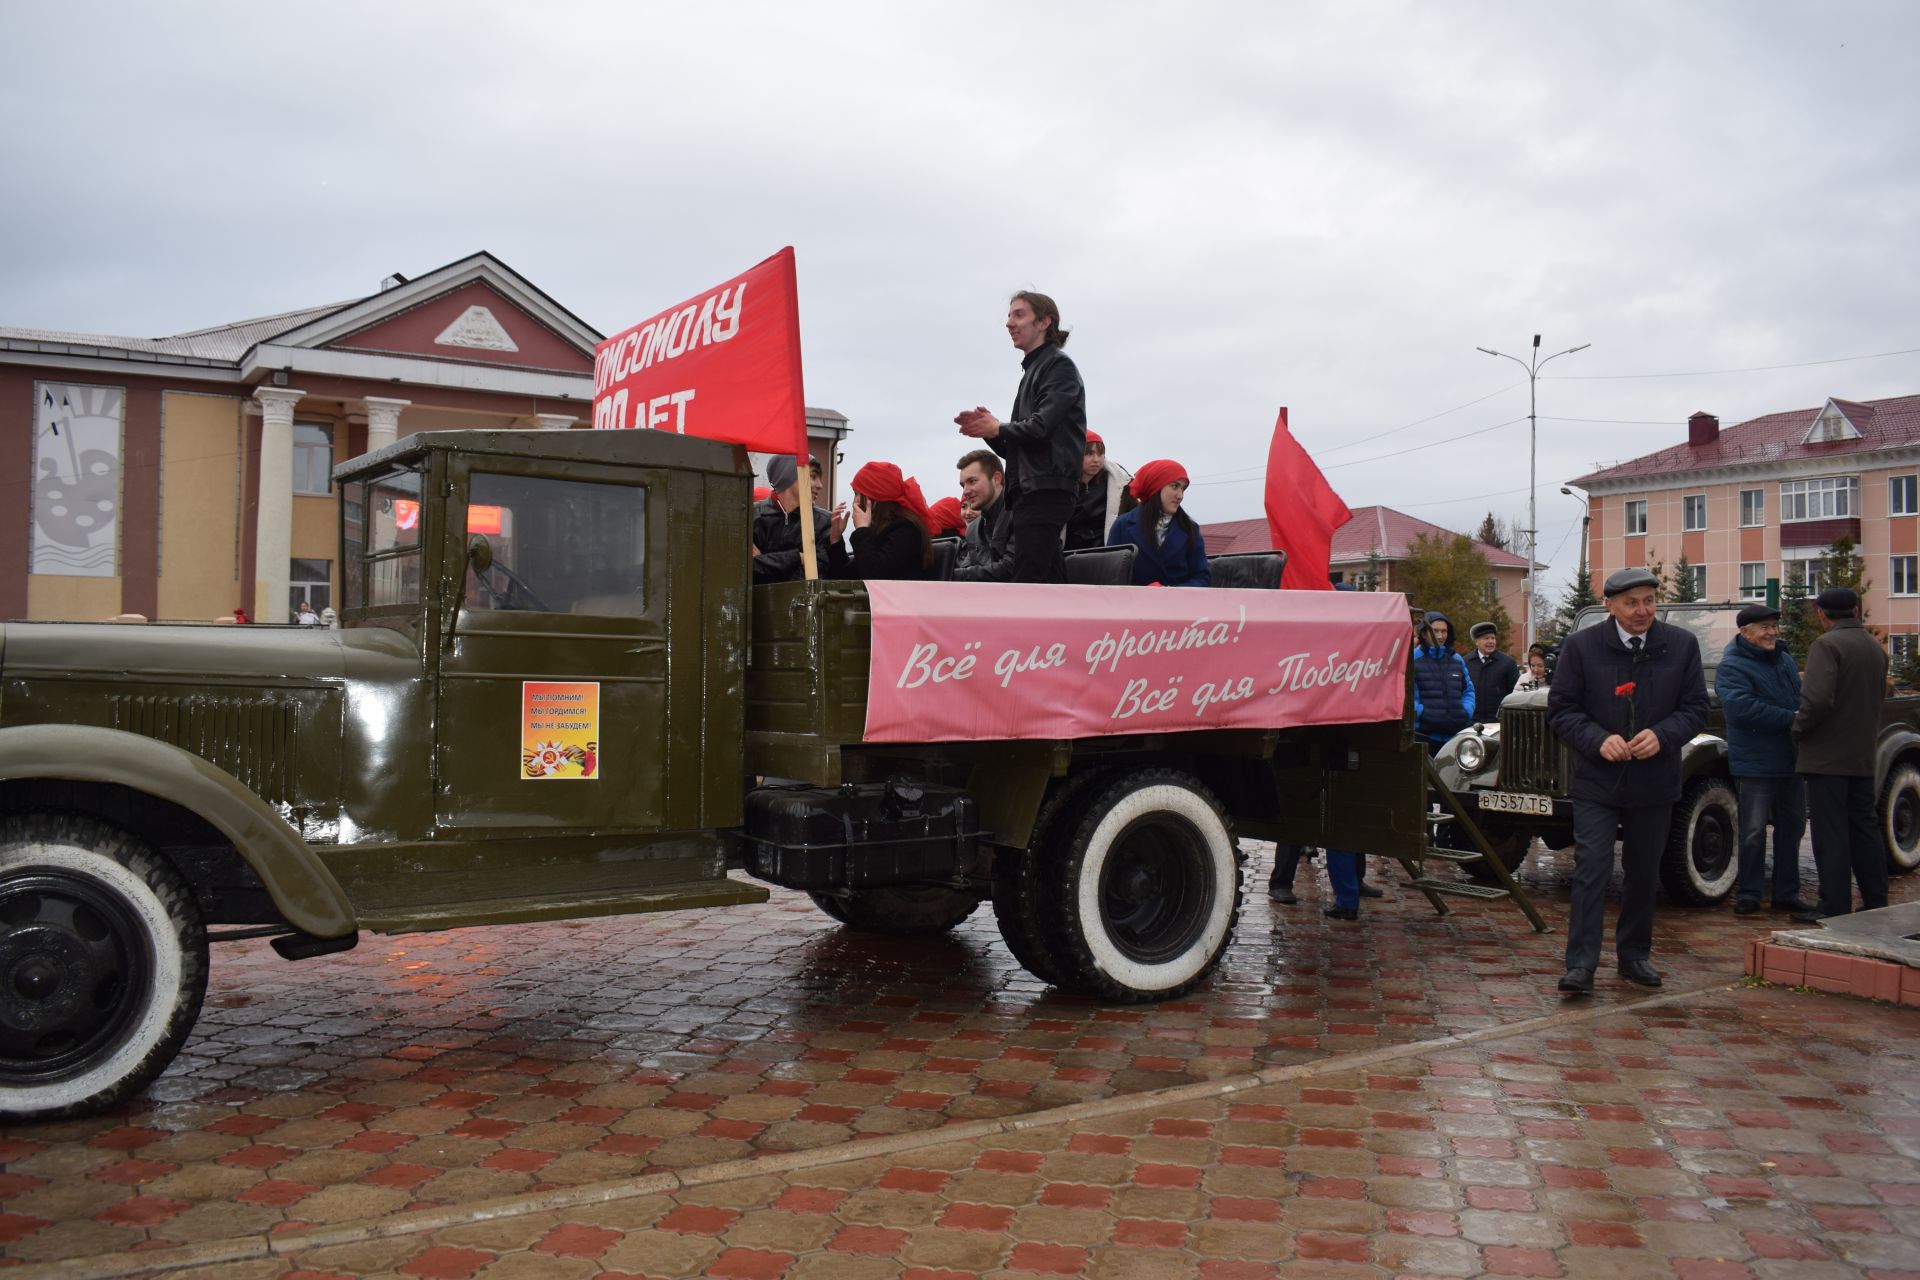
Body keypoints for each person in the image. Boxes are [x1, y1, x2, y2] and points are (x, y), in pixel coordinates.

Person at [1548, 568, 1709, 995]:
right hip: (1598, 781)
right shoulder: (1582, 647)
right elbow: (1561, 709)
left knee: (1642, 872)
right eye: (1631, 603)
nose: (1642, 611)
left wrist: (1663, 735)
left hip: (1655, 781)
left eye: (1649, 601)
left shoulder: (1680, 645)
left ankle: (1634, 955)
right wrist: (1598, 740)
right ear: (1610, 606)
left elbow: (1696, 708)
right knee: (1592, 869)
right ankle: (1580, 964)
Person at [955, 291, 1087, 584]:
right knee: (1048, 577)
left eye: (1019, 314)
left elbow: (1041, 428)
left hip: (1045, 490)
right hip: (1031, 490)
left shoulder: (1058, 366)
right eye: (1010, 315)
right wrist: (989, 433)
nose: (1009, 323)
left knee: (1026, 582)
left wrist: (997, 427)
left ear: (1044, 322)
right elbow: (1020, 446)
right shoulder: (1034, 370)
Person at [1794, 585, 1891, 919]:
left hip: (1827, 759)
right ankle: (1876, 901)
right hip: (1863, 754)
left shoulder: (1827, 644)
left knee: (1830, 833)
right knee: (1865, 829)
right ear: (1854, 610)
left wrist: (1798, 730)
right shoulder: (1875, 648)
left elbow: (1817, 700)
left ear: (1822, 613)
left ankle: (1833, 905)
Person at [1715, 604, 1817, 920]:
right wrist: (1793, 719)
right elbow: (1741, 708)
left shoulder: (1784, 660)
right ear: (1745, 632)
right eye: (1765, 627)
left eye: (1774, 626)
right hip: (1755, 763)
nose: (1772, 632)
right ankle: (1749, 894)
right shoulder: (1732, 666)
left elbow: (1799, 697)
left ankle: (1786, 894)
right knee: (1753, 831)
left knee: (1793, 827)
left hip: (1789, 760)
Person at [1107, 460, 1210, 587]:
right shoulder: (1122, 525)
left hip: (1177, 605)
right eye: (1174, 486)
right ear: (1155, 488)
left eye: (1183, 488)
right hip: (1134, 604)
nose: (1180, 495)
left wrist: (1170, 592)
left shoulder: (1190, 529)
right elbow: (1111, 576)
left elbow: (1201, 577)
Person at [828, 463, 935, 580]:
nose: (854, 502)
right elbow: (845, 579)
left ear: (874, 497)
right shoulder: (878, 531)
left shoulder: (906, 530)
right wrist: (836, 540)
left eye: (857, 494)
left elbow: (875, 576)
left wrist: (862, 530)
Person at [752, 454, 848, 583]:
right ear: (788, 477)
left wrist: (764, 560)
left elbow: (818, 576)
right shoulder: (752, 516)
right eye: (813, 477)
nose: (820, 485)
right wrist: (797, 557)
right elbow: (744, 569)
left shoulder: (824, 521)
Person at [1411, 612, 1475, 751]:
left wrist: (1466, 711)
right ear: (1423, 633)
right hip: (1425, 738)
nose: (1440, 636)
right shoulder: (1413, 659)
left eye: (1444, 631)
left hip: (1456, 738)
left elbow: (1468, 690)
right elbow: (1408, 695)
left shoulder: (1456, 659)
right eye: (1435, 631)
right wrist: (1422, 714)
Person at [1065, 431, 1135, 552]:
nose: (1096, 460)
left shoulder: (1120, 484)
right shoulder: (1060, 484)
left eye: (1100, 453)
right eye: (1089, 453)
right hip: (1067, 557)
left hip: (1106, 556)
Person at [954, 450, 1015, 583]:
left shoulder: (1021, 513)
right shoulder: (972, 530)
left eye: (972, 481)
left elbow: (1012, 569)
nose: (965, 491)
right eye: (963, 485)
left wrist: (948, 575)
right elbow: (967, 569)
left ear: (996, 478)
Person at [1464, 622, 1518, 723]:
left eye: (1492, 638)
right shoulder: (1466, 662)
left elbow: (1514, 693)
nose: (1491, 641)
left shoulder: (1507, 663)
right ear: (1476, 641)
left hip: (1499, 722)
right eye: (1486, 638)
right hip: (1471, 722)